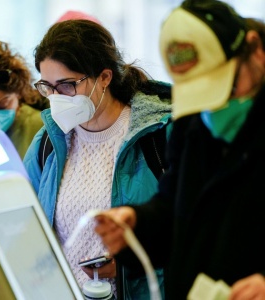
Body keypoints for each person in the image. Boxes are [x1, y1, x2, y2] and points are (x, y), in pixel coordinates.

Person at [94, 1, 265, 299]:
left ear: (255, 51)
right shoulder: (193, 124)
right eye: (201, 91)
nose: (215, 104)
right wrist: (136, 225)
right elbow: (174, 210)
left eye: (226, 86)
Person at [23, 19, 173, 299]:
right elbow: (24, 226)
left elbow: (188, 231)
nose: (56, 98)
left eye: (67, 85)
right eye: (47, 86)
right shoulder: (48, 142)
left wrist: (129, 267)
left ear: (105, 77)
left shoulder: (156, 137)